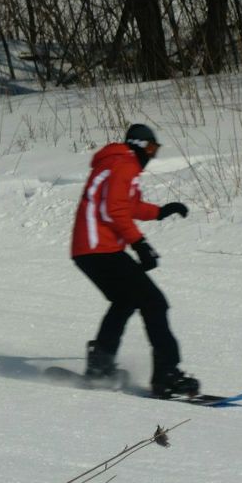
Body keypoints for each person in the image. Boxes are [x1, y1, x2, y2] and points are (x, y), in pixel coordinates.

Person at [69, 123, 200, 398]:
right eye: (150, 148)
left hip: (89, 250)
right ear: (139, 145)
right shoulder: (124, 163)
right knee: (154, 302)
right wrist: (140, 244)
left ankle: (100, 367)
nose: (152, 155)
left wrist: (160, 211)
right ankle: (167, 376)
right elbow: (114, 210)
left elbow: (127, 205)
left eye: (155, 149)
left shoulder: (116, 163)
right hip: (100, 249)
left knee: (125, 301)